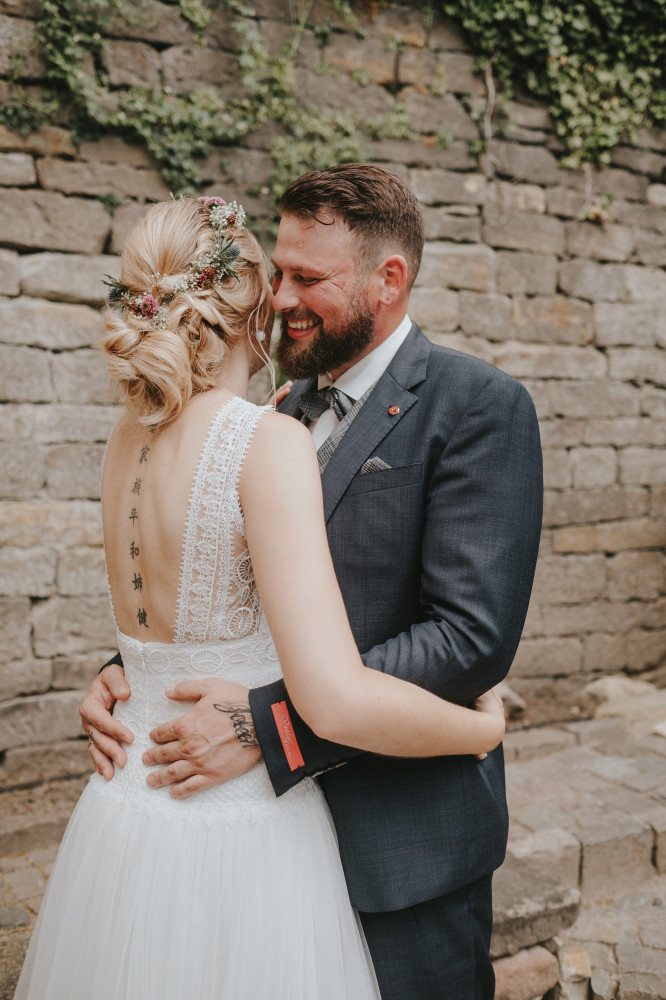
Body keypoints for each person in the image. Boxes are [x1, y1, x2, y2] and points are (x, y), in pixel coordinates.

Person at [16, 194, 508, 1000]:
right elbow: (337, 701)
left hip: (124, 813)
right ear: (245, 313)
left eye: (302, 277)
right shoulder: (266, 437)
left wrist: (128, 675)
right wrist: (476, 730)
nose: (284, 299)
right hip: (238, 831)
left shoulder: (125, 438)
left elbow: (179, 619)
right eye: (273, 279)